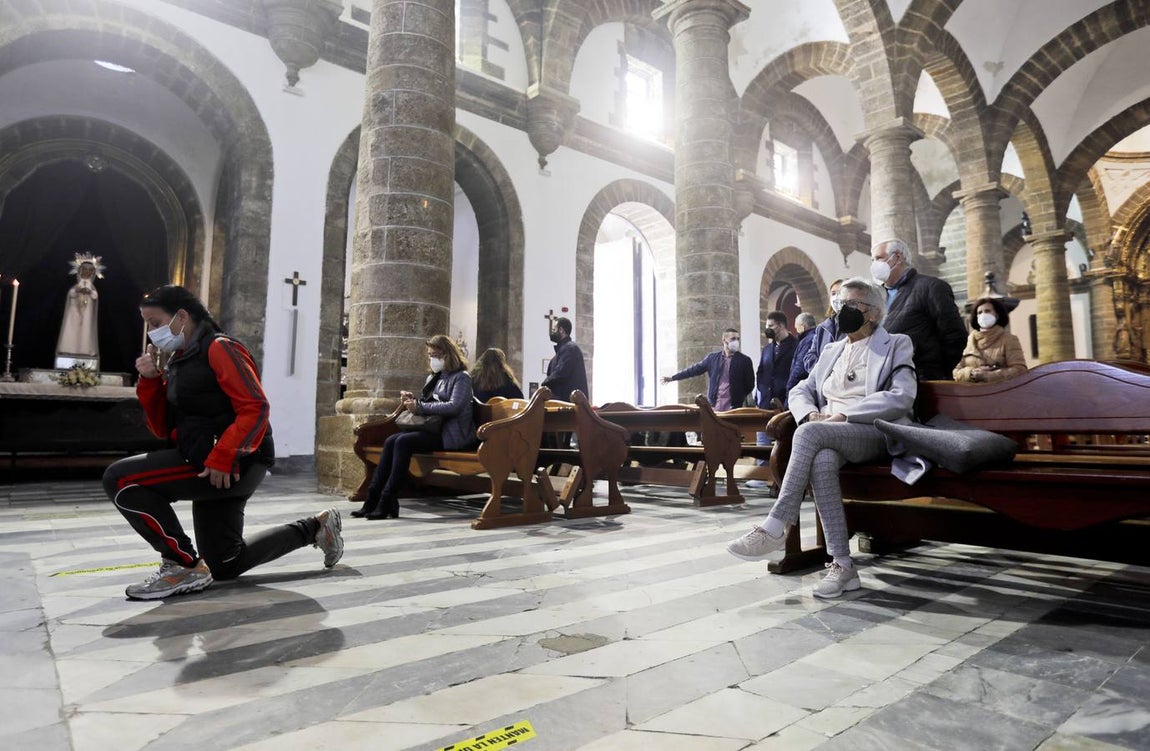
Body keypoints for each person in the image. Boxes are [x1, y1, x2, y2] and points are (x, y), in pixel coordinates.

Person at [103, 285, 343, 600]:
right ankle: (316, 527)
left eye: (156, 322)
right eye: (148, 324)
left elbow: (255, 407)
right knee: (225, 563)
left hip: (234, 462)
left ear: (182, 316)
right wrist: (150, 381)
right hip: (207, 457)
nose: (151, 332)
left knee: (120, 478)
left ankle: (181, 565)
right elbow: (163, 427)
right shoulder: (181, 358)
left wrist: (224, 456)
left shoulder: (220, 347)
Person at [725, 278, 917, 598]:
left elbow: (902, 397)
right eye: (840, 305)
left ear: (873, 313)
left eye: (852, 305)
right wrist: (810, 413)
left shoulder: (896, 343)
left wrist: (845, 415)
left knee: (812, 434)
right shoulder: (832, 349)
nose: (842, 312)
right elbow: (802, 389)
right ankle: (842, 565)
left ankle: (776, 525)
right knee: (822, 461)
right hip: (828, 433)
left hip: (873, 431)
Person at [355, 334, 476, 519]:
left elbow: (455, 406)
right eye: (430, 355)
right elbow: (428, 402)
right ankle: (372, 499)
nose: (432, 359)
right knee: (391, 440)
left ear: (448, 355)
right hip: (433, 429)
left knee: (403, 441)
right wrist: (412, 400)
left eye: (436, 355)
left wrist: (419, 407)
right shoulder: (435, 377)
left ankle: (387, 499)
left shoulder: (462, 378)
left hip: (451, 434)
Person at [871, 239, 967, 380]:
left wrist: (934, 371)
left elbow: (955, 336)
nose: (874, 264)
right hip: (885, 378)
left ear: (897, 257)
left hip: (921, 379)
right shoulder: (877, 297)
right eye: (872, 260)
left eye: (878, 258)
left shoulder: (931, 287)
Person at [661, 328, 755, 409]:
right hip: (715, 405)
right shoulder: (712, 359)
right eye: (733, 339)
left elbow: (750, 384)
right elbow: (694, 370)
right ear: (724, 340)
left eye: (738, 339)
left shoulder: (744, 360)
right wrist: (673, 378)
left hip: (734, 406)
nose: (736, 341)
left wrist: (738, 396)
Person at [953, 297, 1028, 383]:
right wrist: (971, 373)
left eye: (987, 311)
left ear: (997, 314)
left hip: (998, 393)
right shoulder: (968, 341)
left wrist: (990, 376)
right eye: (979, 312)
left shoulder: (1009, 339)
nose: (983, 315)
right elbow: (955, 371)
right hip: (972, 393)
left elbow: (1019, 370)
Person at [56, 254, 102, 365]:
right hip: (74, 311)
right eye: (84, 270)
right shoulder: (77, 284)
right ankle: (70, 349)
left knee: (85, 330)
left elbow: (95, 296)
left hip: (87, 312)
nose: (86, 272)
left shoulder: (91, 285)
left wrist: (89, 292)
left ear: (92, 272)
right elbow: (71, 293)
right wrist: (77, 291)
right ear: (80, 271)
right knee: (72, 328)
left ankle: (84, 350)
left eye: (89, 270)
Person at [541, 317, 588, 402]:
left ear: (561, 330)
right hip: (563, 400)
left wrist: (543, 385)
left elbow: (561, 373)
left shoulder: (570, 348)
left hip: (570, 403)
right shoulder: (563, 350)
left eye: (554, 329)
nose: (552, 332)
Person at [756, 311, 797, 410]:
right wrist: (762, 389)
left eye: (770, 326)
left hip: (786, 401)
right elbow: (761, 372)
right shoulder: (767, 349)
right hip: (766, 403)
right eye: (766, 326)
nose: (767, 329)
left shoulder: (796, 346)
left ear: (781, 326)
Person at [803, 279, 844, 377]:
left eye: (841, 292)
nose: (836, 297)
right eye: (833, 293)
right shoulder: (822, 328)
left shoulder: (858, 325)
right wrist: (824, 371)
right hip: (822, 383)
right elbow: (809, 357)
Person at [786, 312, 820, 392]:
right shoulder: (817, 336)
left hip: (802, 388)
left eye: (797, 327)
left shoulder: (807, 340)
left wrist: (790, 387)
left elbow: (800, 367)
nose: (796, 330)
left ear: (803, 326)